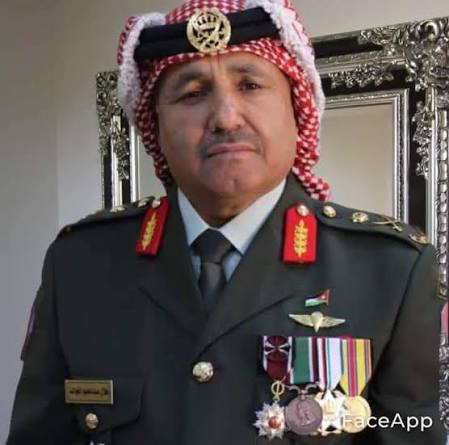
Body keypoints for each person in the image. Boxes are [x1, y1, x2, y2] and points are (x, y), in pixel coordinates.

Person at [7, 0, 447, 444]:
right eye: (192, 94)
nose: (225, 118)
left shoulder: (390, 269)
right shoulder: (80, 263)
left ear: (297, 110)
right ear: (155, 128)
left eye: (250, 85)